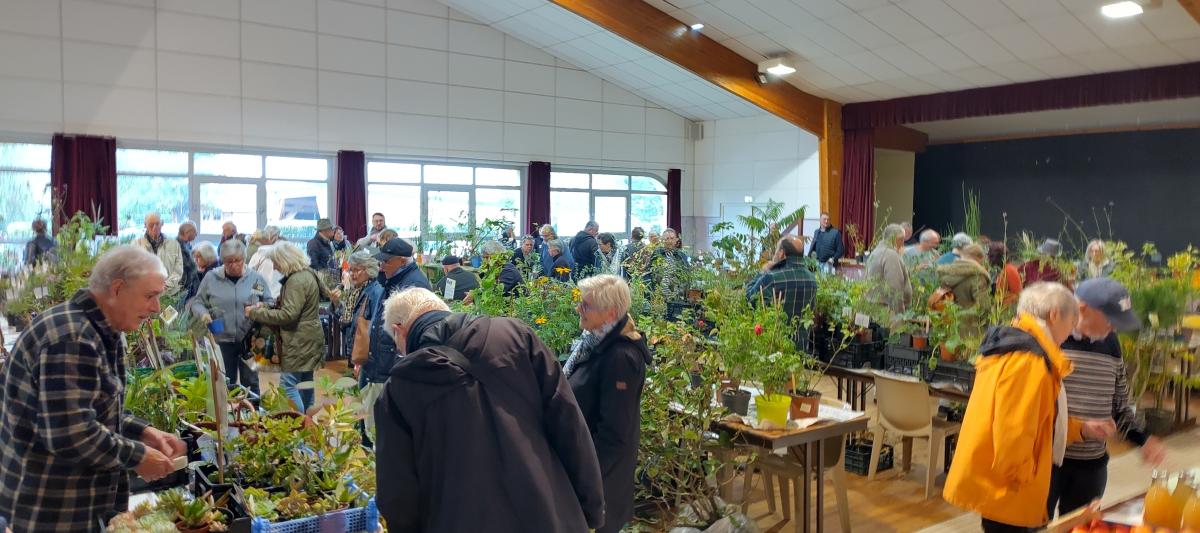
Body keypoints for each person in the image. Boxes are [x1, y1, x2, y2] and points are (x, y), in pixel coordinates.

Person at [374, 288, 605, 533]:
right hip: (548, 511)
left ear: (399, 330)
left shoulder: (398, 391)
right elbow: (569, 425)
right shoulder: (515, 336)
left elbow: (398, 495)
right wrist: (591, 508)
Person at [0, 246, 187, 531]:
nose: (156, 308)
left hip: (75, 503)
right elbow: (70, 433)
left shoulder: (99, 329)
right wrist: (137, 457)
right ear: (117, 289)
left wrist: (144, 431)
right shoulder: (72, 338)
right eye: (150, 296)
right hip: (54, 509)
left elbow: (93, 407)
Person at [944, 282, 1118, 532]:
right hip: (1010, 492)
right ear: (1054, 315)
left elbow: (1040, 420)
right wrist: (1025, 481)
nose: (1069, 334)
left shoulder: (1013, 345)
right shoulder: (1029, 361)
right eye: (1070, 325)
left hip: (1003, 487)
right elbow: (1014, 432)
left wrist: (1083, 430)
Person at [1048, 278, 1166, 518]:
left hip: (1091, 467)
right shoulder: (1050, 339)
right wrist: (1080, 427)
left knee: (1082, 526)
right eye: (1111, 320)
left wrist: (1142, 439)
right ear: (1083, 309)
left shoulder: (1111, 344)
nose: (1115, 328)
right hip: (1047, 464)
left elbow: (1120, 405)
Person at [564, 275, 651, 533]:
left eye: (586, 305)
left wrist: (586, 481)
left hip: (602, 483)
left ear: (610, 313)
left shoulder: (620, 358)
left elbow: (614, 435)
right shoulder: (593, 343)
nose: (579, 309)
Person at [247, 241, 332, 413]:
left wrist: (255, 313)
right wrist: (268, 308)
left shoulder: (296, 280)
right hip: (310, 337)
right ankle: (308, 427)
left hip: (298, 340)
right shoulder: (308, 273)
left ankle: (299, 425)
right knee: (305, 384)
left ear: (285, 260)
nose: (276, 267)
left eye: (276, 262)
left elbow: (288, 315)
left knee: (288, 386)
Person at [190, 239, 270, 395]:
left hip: (250, 340)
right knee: (225, 382)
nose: (233, 265)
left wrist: (261, 306)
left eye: (237, 261)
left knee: (251, 383)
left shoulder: (254, 278)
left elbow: (267, 300)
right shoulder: (211, 278)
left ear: (244, 259)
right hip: (222, 339)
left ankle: (253, 415)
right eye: (228, 262)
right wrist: (204, 314)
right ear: (222, 261)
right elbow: (197, 302)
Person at [745, 236, 817, 350]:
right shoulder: (812, 279)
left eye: (776, 250)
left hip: (775, 348)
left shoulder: (772, 277)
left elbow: (749, 299)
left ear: (782, 253)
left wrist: (762, 272)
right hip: (801, 348)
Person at [344, 251, 385, 437]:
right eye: (351, 270)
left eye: (356, 270)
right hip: (364, 357)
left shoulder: (374, 291)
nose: (352, 274)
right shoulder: (362, 290)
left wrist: (360, 360)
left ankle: (368, 445)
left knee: (368, 405)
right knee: (363, 401)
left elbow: (373, 327)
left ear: (368, 270)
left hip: (369, 358)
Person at [135, 213, 184, 297]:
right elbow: (134, 270)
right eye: (151, 225)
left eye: (157, 224)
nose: (155, 227)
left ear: (162, 224)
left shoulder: (174, 244)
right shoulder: (136, 245)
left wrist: (166, 285)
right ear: (145, 226)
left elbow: (178, 270)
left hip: (170, 293)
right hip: (146, 294)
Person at [865, 224, 911, 313]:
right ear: (895, 239)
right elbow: (895, 288)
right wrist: (900, 314)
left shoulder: (876, 252)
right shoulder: (890, 255)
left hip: (874, 307)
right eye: (902, 240)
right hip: (887, 311)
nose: (902, 244)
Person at [937, 243, 992, 312]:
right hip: (971, 321)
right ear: (980, 258)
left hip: (948, 319)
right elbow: (984, 306)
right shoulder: (978, 275)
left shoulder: (945, 272)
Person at [248, 225, 284, 299]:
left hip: (263, 295)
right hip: (279, 294)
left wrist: (258, 296)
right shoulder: (281, 255)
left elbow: (250, 277)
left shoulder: (257, 256)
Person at [990, 242, 1022, 307]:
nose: (989, 259)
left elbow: (1018, 295)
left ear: (1000, 257)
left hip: (1008, 309)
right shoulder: (1003, 269)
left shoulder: (1010, 270)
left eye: (992, 256)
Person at [177, 221, 200, 299]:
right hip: (181, 287)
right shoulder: (178, 246)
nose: (196, 235)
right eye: (195, 232)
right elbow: (189, 266)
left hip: (188, 285)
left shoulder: (187, 244)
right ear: (187, 233)